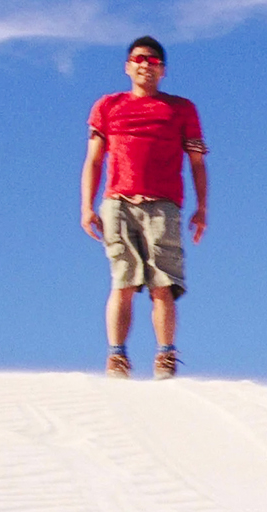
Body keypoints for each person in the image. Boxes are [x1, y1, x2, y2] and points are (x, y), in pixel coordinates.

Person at [80, 36, 209, 380]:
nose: (145, 66)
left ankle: (165, 357)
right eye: (139, 59)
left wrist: (202, 208)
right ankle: (116, 358)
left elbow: (196, 162)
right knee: (122, 281)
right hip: (118, 202)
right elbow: (94, 160)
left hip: (163, 205)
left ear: (162, 70)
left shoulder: (181, 109)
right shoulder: (107, 106)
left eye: (152, 62)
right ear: (127, 66)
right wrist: (86, 207)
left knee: (162, 284)